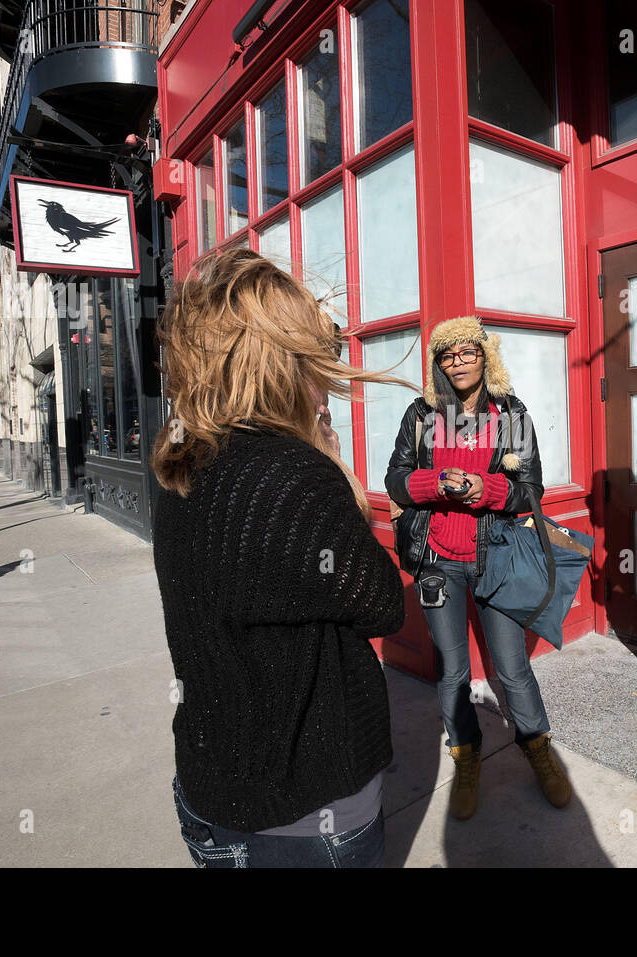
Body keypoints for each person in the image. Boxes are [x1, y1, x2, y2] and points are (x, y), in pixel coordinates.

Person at [151, 245, 409, 868]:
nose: (324, 379)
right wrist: (329, 462)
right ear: (280, 362)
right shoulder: (292, 472)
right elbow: (382, 604)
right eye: (314, 358)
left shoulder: (182, 468)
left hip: (210, 791)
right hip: (304, 809)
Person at [385, 317, 571, 821]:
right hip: (437, 564)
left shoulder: (510, 413)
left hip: (498, 559)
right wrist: (435, 484)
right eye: (448, 356)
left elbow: (531, 491)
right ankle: (466, 756)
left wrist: (484, 490)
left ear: (484, 356)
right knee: (452, 670)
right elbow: (396, 480)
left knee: (511, 669)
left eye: (467, 353)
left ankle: (538, 749)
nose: (459, 363)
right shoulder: (421, 414)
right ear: (438, 364)